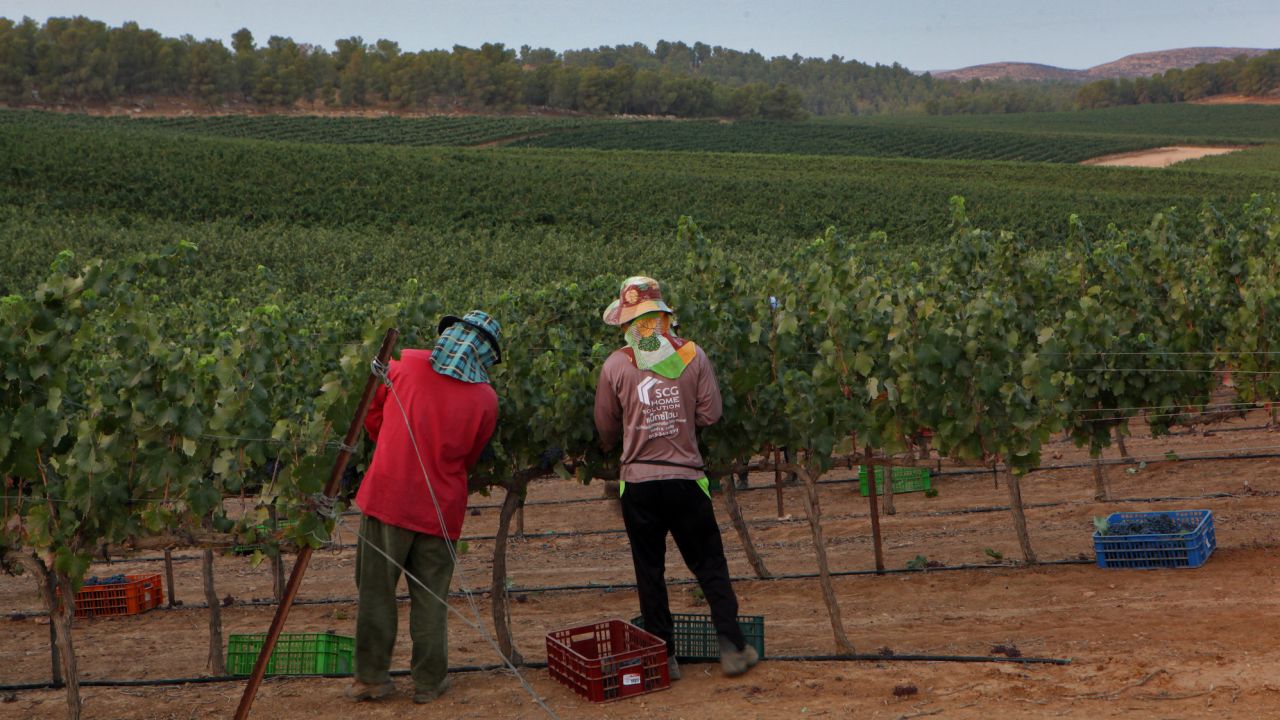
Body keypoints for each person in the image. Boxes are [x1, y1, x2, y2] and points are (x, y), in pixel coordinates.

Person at [593, 276, 758, 680]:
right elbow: (711, 415)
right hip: (686, 481)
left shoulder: (616, 364)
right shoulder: (693, 356)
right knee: (710, 565)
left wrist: (624, 435)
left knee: (650, 572)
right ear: (663, 316)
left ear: (629, 323)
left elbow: (606, 427)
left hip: (639, 485)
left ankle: (664, 658)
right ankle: (732, 648)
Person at [347, 311, 501, 704]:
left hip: (388, 498)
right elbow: (469, 457)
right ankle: (429, 683)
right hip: (441, 509)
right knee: (430, 599)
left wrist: (393, 443)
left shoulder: (407, 364)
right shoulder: (486, 399)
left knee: (376, 592)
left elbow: (373, 413)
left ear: (448, 337)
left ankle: (371, 680)